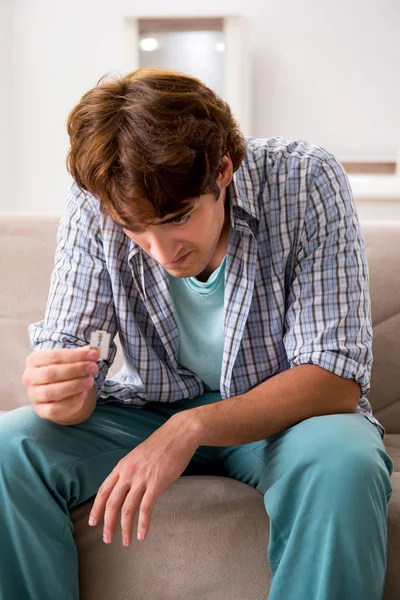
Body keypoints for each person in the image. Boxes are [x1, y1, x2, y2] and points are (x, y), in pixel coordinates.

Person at [0, 68, 394, 600]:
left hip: (283, 420)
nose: (162, 251)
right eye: (134, 230)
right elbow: (70, 354)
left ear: (224, 170)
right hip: (148, 409)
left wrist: (190, 428)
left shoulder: (306, 181)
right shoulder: (97, 200)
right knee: (10, 447)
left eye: (178, 217)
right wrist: (61, 396)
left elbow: (334, 381)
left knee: (345, 460)